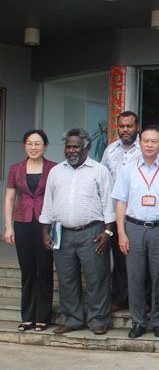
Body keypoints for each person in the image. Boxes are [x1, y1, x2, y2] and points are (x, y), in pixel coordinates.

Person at [39, 128, 115, 335]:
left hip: (93, 232)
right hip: (62, 233)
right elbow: (48, 204)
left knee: (97, 278)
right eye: (68, 147)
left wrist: (108, 233)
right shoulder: (56, 172)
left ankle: (98, 319)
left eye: (75, 147)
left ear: (86, 147)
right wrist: (45, 233)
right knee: (66, 279)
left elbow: (108, 204)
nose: (71, 150)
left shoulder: (99, 171)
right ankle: (72, 320)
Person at [112, 125, 159, 339]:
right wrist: (121, 233)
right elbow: (121, 203)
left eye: (154, 141)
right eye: (146, 141)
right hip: (134, 227)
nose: (149, 145)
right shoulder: (128, 170)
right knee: (135, 276)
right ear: (140, 143)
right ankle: (138, 322)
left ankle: (158, 321)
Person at [4, 130, 57, 332]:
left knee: (44, 270)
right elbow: (9, 198)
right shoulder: (15, 169)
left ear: (45, 146)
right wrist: (8, 227)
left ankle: (42, 317)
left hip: (45, 225)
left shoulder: (53, 168)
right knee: (27, 271)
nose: (33, 147)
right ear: (25, 146)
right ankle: (27, 317)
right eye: (29, 143)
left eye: (37, 143)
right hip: (23, 223)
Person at [101, 111, 141, 312]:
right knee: (119, 257)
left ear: (137, 127)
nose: (125, 130)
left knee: (139, 258)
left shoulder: (144, 148)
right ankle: (120, 298)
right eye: (122, 126)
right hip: (115, 212)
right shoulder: (110, 150)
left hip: (137, 213)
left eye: (129, 126)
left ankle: (140, 299)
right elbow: (103, 179)